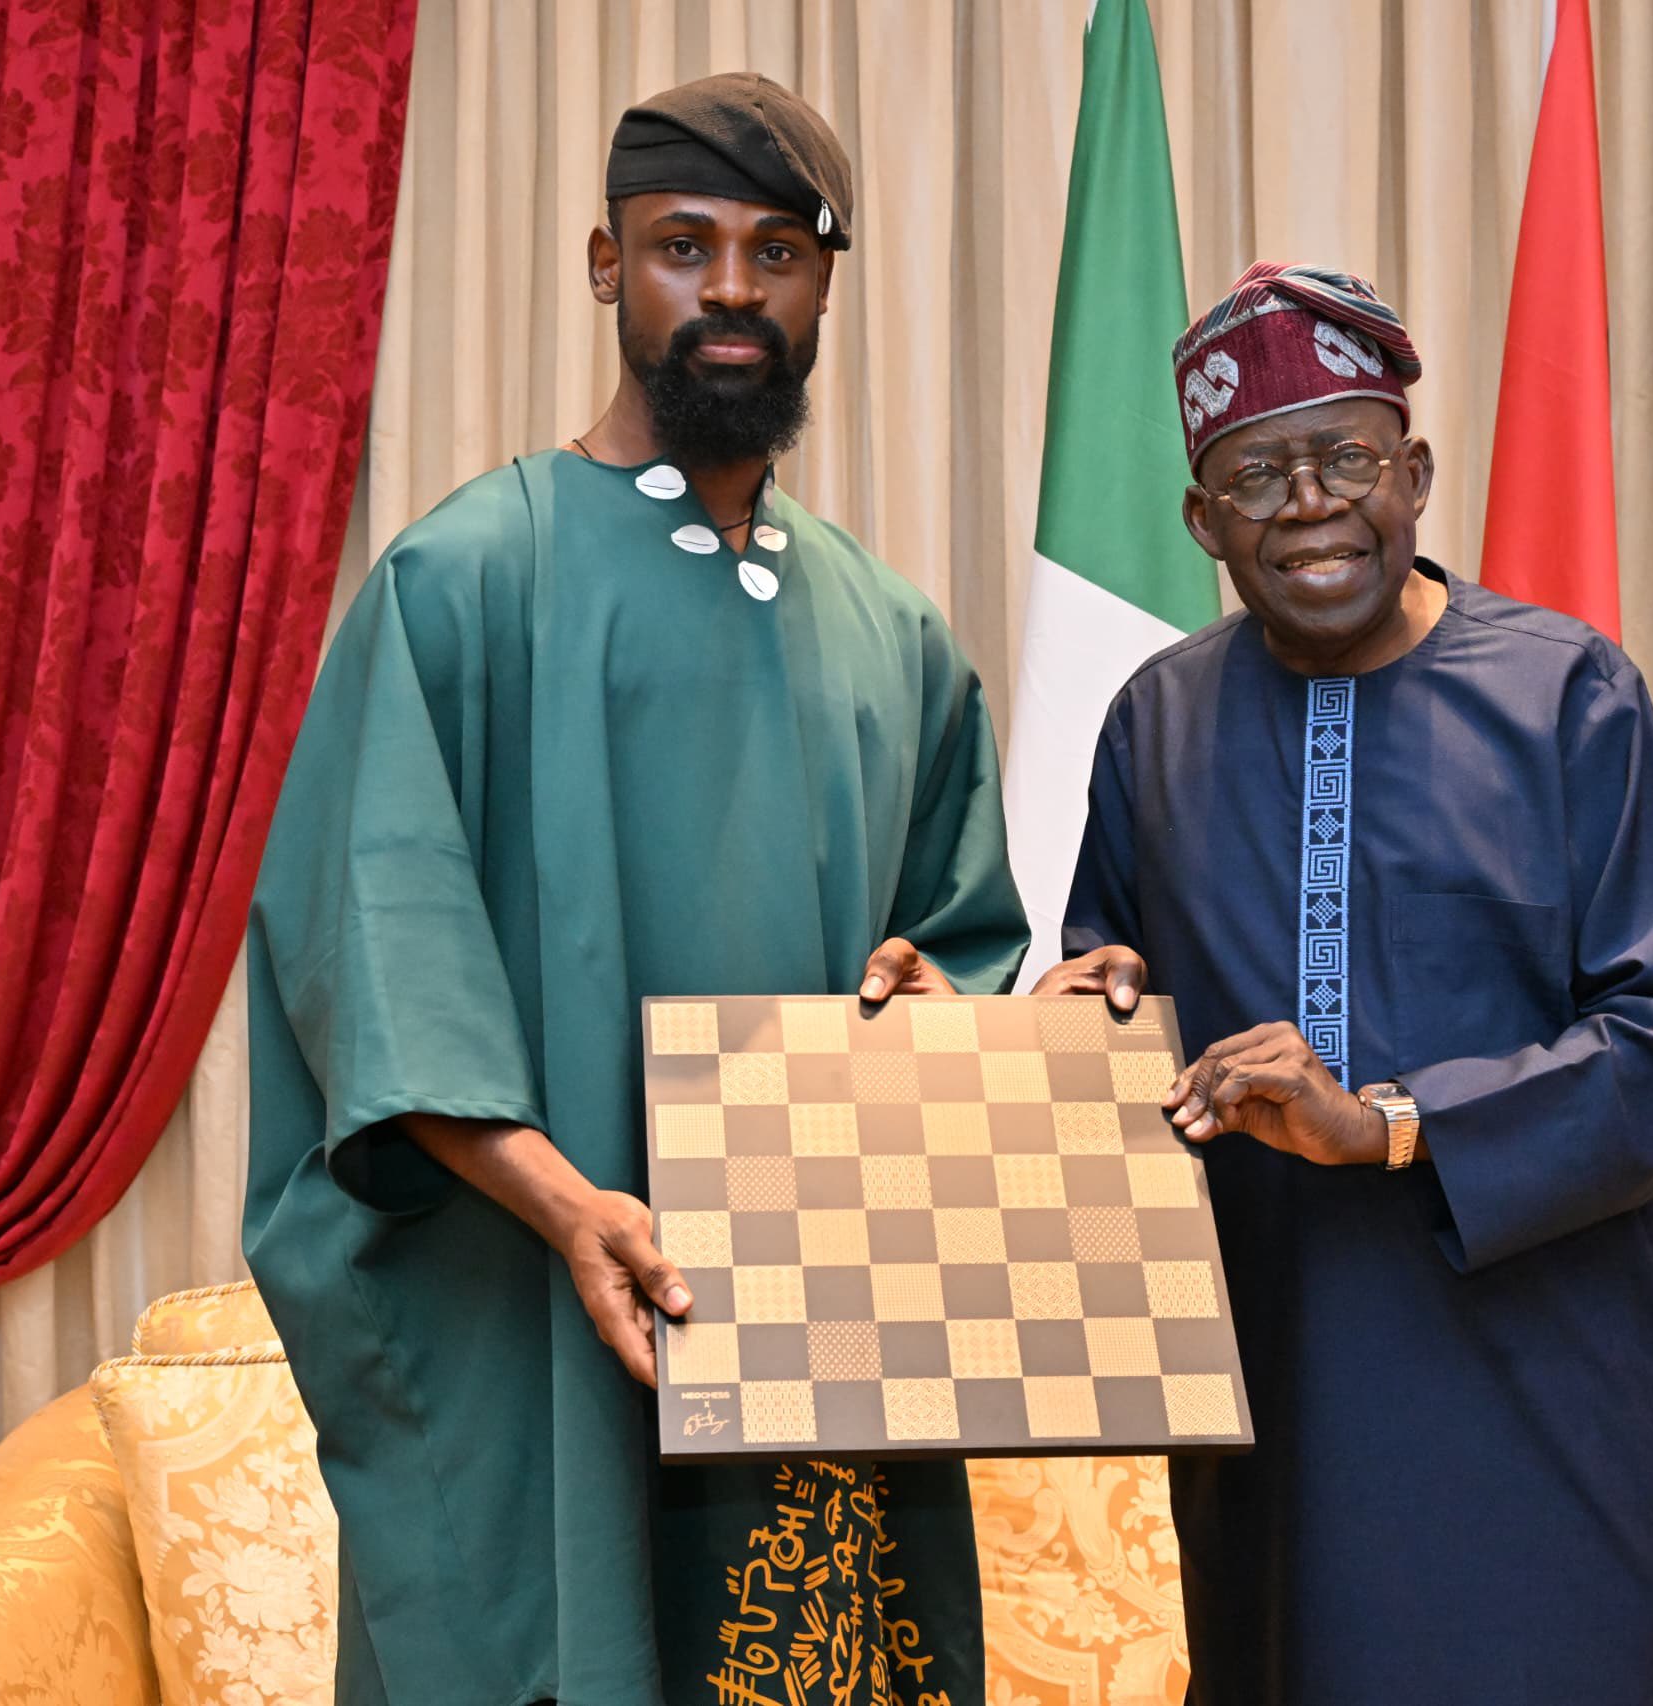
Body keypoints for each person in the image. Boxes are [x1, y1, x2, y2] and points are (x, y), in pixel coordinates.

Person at [244, 72, 1025, 1706]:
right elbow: (379, 965)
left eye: (777, 252)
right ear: (608, 267)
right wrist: (570, 1207)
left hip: (823, 1363)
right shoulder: (464, 581)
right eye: (684, 245)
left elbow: (961, 947)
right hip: (537, 1331)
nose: (731, 289)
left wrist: (942, 1009)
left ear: (822, 286)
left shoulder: (900, 639)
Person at [1037, 262, 1653, 1703]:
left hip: (1545, 1393)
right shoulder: (1154, 724)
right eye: (1256, 475)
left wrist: (1394, 1122)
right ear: (1202, 519)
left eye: (1347, 457)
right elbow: (1110, 989)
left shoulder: (1569, 694)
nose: (1308, 502)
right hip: (1274, 1402)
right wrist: (1077, 1009)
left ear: (1415, 473)